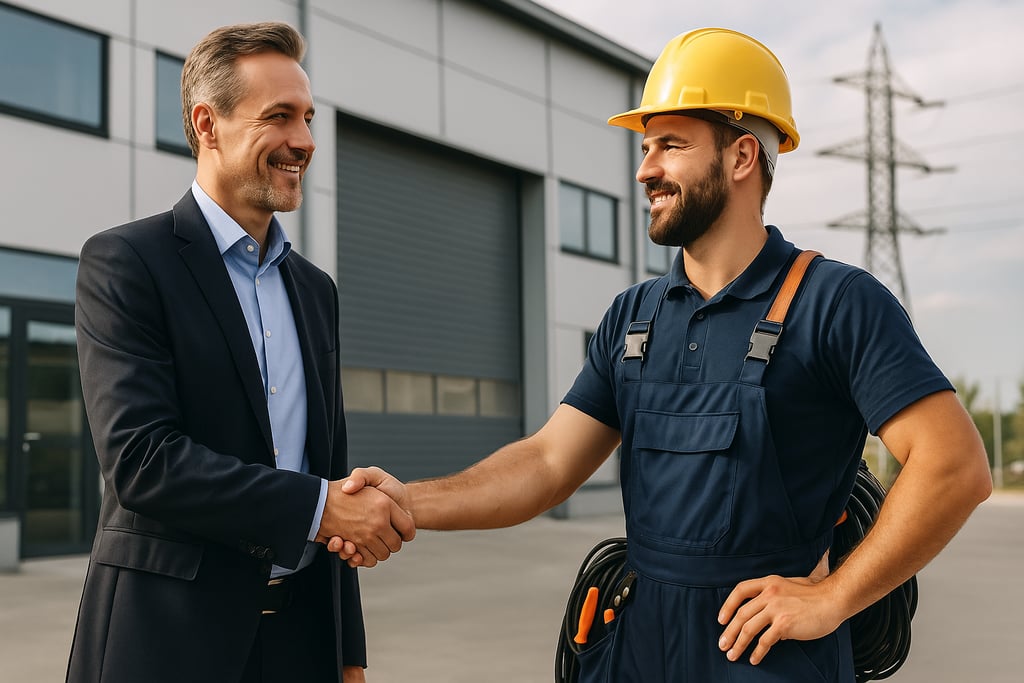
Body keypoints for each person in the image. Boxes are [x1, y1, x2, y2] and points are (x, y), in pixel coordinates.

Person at [332, 27, 993, 682]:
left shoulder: (837, 303)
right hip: (640, 651)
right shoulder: (634, 317)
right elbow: (547, 462)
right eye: (646, 147)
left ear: (740, 157)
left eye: (671, 144)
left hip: (768, 658)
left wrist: (832, 597)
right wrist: (406, 501)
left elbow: (953, 465)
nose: (646, 168)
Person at [67, 22, 414, 683]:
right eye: (279, 116)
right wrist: (318, 507)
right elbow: (143, 461)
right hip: (167, 643)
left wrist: (348, 654)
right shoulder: (127, 262)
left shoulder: (316, 290)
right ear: (208, 123)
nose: (305, 142)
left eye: (308, 118)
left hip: (300, 642)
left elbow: (328, 465)